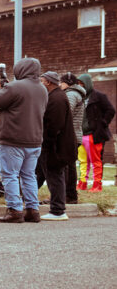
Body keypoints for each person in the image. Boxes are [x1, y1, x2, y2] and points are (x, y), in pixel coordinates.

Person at [0, 58, 48, 223]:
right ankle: (32, 209)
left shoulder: (15, 86)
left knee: (10, 175)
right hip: (35, 140)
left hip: (13, 140)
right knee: (29, 175)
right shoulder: (42, 89)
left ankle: (15, 210)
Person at [37, 71, 77, 221]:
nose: (40, 83)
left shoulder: (56, 98)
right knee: (43, 174)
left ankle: (58, 210)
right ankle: (30, 203)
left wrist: (46, 142)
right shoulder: (57, 96)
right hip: (55, 145)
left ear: (48, 82)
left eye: (41, 81)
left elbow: (54, 125)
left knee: (55, 176)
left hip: (55, 147)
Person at [77, 74, 115, 192]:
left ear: (88, 84)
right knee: (83, 161)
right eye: (79, 84)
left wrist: (102, 123)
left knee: (96, 161)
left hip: (95, 135)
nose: (80, 86)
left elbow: (111, 110)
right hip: (81, 135)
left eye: (82, 84)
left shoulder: (99, 96)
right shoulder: (79, 97)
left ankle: (97, 184)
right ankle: (82, 183)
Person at [59, 72, 86, 204]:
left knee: (66, 167)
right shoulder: (76, 94)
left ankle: (66, 195)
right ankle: (70, 195)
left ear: (67, 83)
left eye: (61, 82)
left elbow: (64, 112)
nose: (59, 85)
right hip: (75, 135)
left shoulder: (71, 95)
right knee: (70, 166)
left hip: (70, 136)